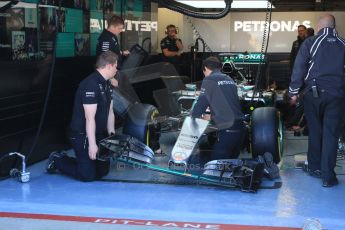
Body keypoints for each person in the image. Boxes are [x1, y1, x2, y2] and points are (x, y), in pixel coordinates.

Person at [289, 14, 345, 187]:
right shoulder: (343, 44)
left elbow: (299, 67)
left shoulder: (310, 42)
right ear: (334, 27)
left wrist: (293, 91)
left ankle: (314, 167)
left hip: (313, 94)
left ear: (319, 27)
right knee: (331, 135)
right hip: (337, 96)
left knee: (315, 131)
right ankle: (328, 177)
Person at [46, 51, 118, 181]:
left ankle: (84, 162)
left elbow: (110, 111)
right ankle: (57, 159)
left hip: (98, 133)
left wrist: (111, 135)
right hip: (82, 134)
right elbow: (89, 118)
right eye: (115, 66)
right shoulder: (90, 85)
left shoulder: (107, 83)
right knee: (87, 175)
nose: (116, 70)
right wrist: (92, 144)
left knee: (103, 171)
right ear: (109, 66)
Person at [191, 56, 245, 160]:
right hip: (240, 129)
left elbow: (201, 104)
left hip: (228, 130)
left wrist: (192, 118)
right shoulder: (229, 79)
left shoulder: (209, 79)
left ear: (205, 68)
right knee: (230, 166)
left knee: (215, 167)